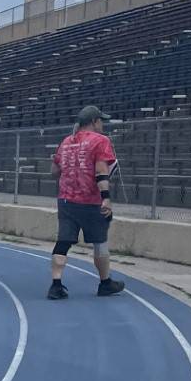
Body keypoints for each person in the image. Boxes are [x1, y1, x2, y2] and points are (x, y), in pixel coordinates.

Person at [49, 106, 123, 300]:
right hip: (90, 201)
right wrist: (105, 197)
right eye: (101, 121)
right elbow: (101, 171)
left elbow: (54, 171)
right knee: (100, 242)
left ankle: (56, 284)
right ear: (94, 121)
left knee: (63, 241)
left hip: (66, 199)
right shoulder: (100, 141)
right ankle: (105, 283)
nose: (102, 124)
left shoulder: (66, 142)